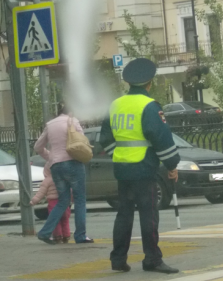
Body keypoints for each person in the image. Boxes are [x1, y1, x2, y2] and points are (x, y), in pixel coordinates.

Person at [100, 58, 180, 273]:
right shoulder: (149, 106)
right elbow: (161, 137)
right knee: (149, 214)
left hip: (122, 169)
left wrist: (117, 154)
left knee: (124, 214)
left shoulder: (115, 104)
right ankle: (152, 259)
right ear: (149, 83)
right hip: (144, 168)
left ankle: (118, 260)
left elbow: (105, 139)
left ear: (128, 83)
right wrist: (172, 165)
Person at [34, 102, 93, 245]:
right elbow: (82, 140)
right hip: (73, 163)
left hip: (56, 166)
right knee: (79, 200)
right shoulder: (73, 121)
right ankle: (80, 235)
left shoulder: (50, 124)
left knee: (63, 201)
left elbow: (38, 147)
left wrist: (51, 157)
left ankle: (45, 232)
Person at [30, 162, 71, 244]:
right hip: (65, 202)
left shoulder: (47, 180)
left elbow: (41, 193)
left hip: (53, 203)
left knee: (56, 221)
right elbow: (70, 190)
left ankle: (58, 237)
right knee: (65, 220)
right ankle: (66, 236)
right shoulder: (64, 178)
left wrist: (34, 201)